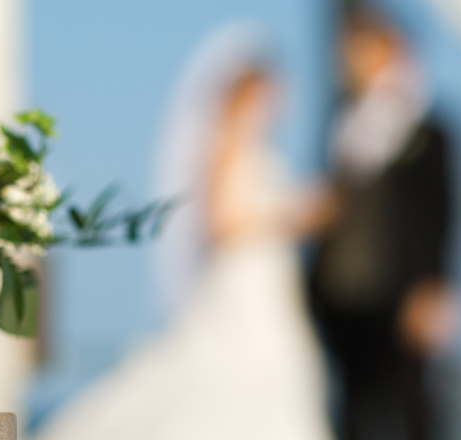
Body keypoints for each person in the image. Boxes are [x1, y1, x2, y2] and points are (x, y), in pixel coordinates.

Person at [37, 24, 332, 440]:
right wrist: (290, 215)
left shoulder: (261, 150)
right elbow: (220, 224)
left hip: (268, 287)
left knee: (268, 380)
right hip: (239, 285)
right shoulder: (228, 146)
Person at [307, 3, 458, 440]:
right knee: (352, 413)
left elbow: (445, 213)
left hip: (403, 298)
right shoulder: (340, 129)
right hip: (342, 301)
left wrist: (435, 283)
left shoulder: (430, 132)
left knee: (415, 412)